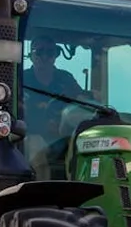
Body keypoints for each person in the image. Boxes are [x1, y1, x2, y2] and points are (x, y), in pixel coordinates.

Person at [20, 35, 90, 179]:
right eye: (40, 52)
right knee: (35, 144)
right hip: (29, 137)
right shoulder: (21, 79)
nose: (45, 57)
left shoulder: (66, 79)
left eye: (50, 52)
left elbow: (82, 102)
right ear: (31, 55)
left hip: (64, 137)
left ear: (56, 55)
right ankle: (39, 193)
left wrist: (92, 99)